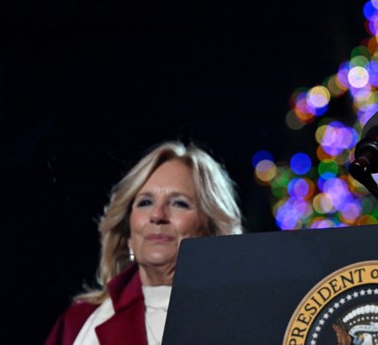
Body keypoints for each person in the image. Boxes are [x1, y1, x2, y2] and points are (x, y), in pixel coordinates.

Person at [45, 141, 243, 345]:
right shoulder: (78, 322)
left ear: (211, 230)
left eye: (179, 203)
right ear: (128, 233)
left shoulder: (244, 318)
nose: (157, 215)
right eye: (145, 202)